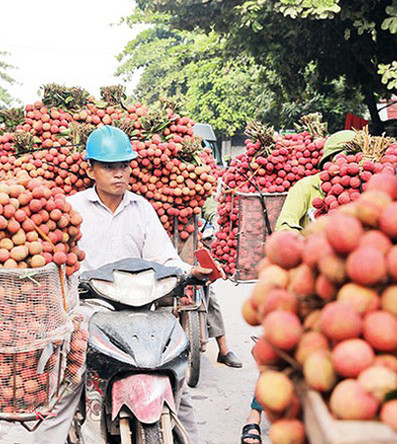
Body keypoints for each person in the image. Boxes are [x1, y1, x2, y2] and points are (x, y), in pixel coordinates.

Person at [35, 126, 226, 443]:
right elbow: (57, 259)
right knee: (69, 382)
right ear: (90, 169)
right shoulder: (72, 208)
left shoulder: (141, 208)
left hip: (141, 308)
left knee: (175, 377)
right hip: (89, 308)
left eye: (124, 165)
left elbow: (164, 258)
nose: (118, 173)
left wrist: (189, 271)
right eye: (109, 167)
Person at [240, 129, 355, 444]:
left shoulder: (364, 187)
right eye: (342, 159)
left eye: (354, 159)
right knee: (282, 346)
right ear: (328, 162)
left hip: (350, 280)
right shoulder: (307, 187)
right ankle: (254, 415)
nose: (349, 165)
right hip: (308, 276)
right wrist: (316, 235)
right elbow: (285, 228)